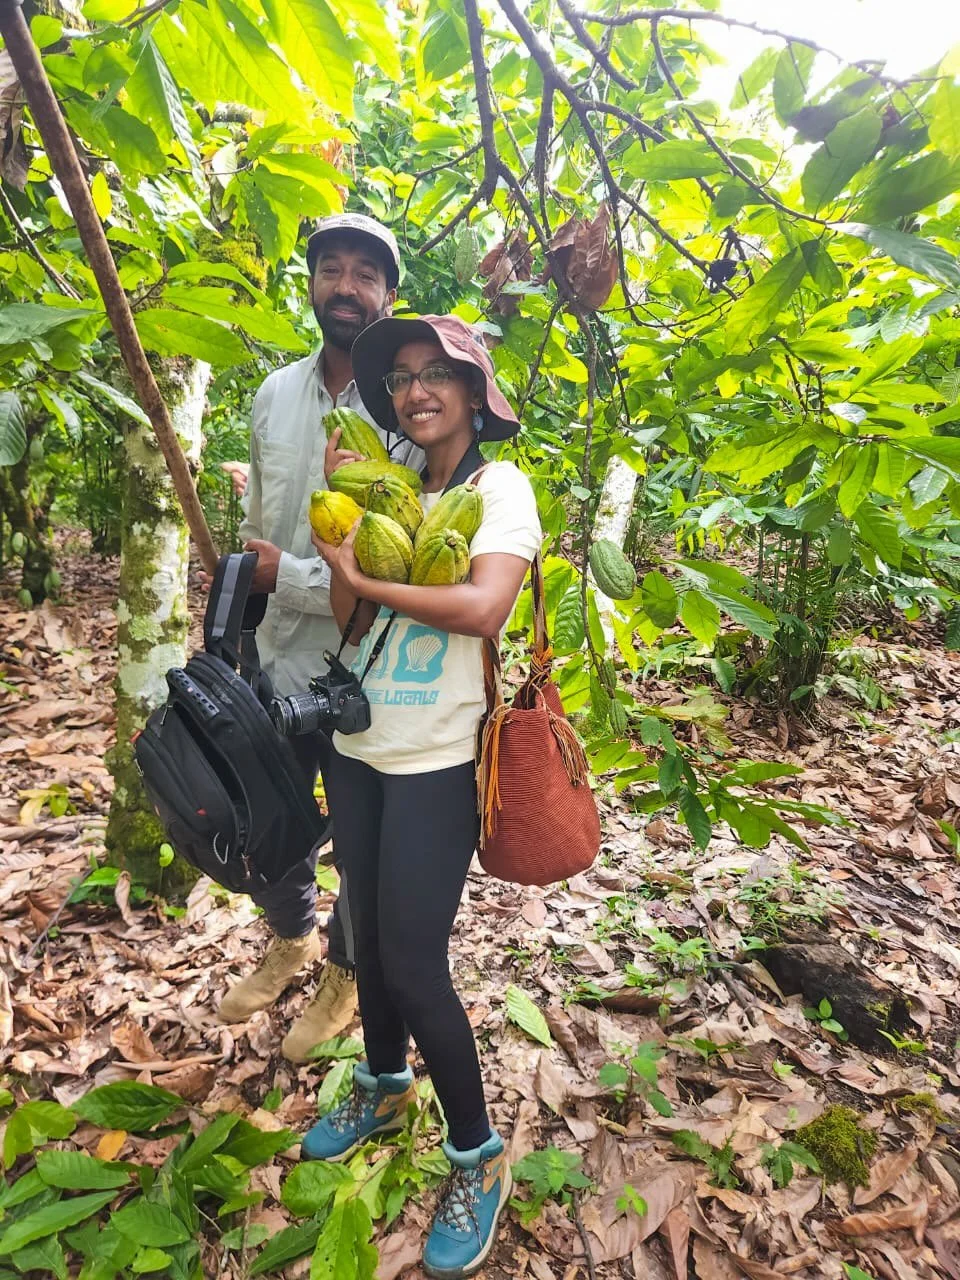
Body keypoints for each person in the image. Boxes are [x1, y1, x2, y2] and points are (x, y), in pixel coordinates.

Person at [302, 314, 541, 1279]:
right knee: (364, 934)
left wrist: (368, 576)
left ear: (475, 391)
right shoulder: (388, 487)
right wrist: (341, 552)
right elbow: (349, 618)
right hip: (359, 745)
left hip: (438, 758)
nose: (415, 391)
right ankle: (385, 1080)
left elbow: (485, 608)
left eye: (436, 372)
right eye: (401, 378)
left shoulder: (499, 488)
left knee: (413, 961)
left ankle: (478, 1156)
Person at [217, 214, 424, 1065]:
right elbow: (260, 518)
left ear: (388, 295)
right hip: (272, 657)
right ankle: (292, 936)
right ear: (311, 285)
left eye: (365, 274)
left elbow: (407, 562)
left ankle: (344, 971)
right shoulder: (274, 393)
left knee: (361, 841)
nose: (346, 287)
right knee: (265, 822)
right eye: (331, 268)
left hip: (363, 667)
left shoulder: (410, 408)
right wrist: (244, 597)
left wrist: (291, 577)